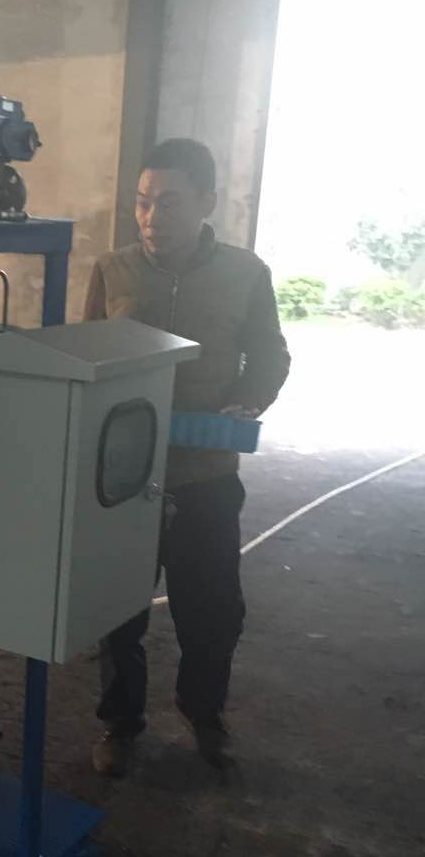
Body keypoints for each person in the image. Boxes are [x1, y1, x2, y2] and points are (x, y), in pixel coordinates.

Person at [84, 138, 290, 774]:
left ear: (207, 203)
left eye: (169, 204)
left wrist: (248, 401)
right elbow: (85, 356)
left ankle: (204, 714)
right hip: (126, 477)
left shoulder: (245, 274)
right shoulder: (112, 270)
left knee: (213, 612)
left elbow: (271, 353)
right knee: (118, 610)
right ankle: (120, 724)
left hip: (206, 476)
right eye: (143, 203)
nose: (152, 219)